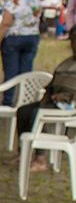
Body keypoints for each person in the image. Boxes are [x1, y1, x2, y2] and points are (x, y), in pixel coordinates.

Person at [15, 26, 76, 172]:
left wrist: (68, 97)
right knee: (24, 111)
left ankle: (40, 158)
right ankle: (24, 153)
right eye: (72, 41)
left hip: (69, 106)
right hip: (55, 102)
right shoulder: (66, 63)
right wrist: (48, 97)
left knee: (37, 114)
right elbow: (52, 85)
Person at [0, 0, 42, 106]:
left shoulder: (13, 2)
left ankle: (7, 100)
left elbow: (6, 23)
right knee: (26, 70)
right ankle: (24, 100)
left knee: (11, 70)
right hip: (32, 37)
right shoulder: (37, 2)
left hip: (14, 37)